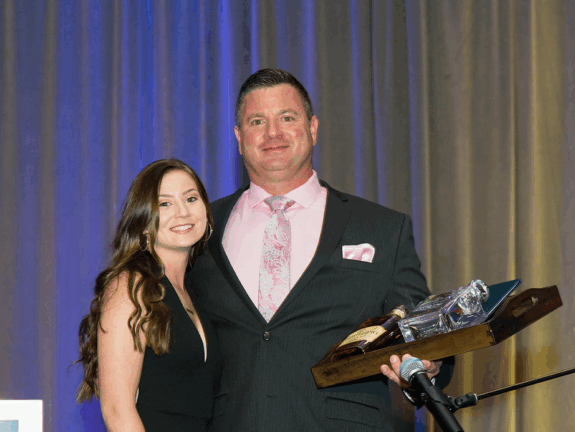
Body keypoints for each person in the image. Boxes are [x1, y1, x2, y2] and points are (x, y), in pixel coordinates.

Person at [190, 68, 451, 431]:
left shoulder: (382, 228)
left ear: (313, 128)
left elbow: (420, 328)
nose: (273, 133)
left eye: (287, 118)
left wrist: (430, 363)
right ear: (238, 137)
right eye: (256, 121)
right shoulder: (198, 229)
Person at [75, 159, 222, 431]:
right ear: (143, 221)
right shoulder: (131, 286)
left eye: (191, 198)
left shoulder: (194, 290)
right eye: (165, 204)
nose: (182, 212)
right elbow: (117, 410)